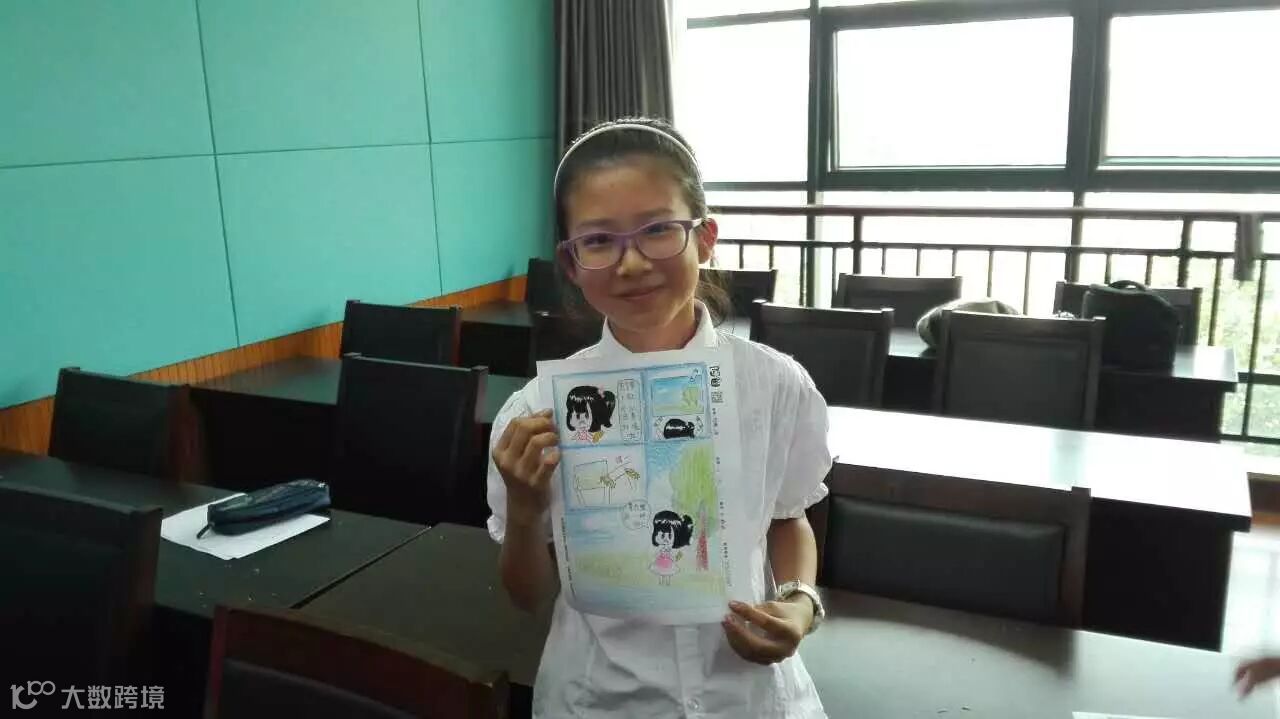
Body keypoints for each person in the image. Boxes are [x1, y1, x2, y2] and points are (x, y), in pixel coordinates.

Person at [486, 117, 832, 718]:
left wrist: (801, 602)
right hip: (601, 700)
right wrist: (523, 507)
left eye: (658, 230)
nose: (632, 263)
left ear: (705, 237)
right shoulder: (536, 412)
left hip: (750, 698)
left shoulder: (775, 385)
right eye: (599, 240)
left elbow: (788, 517)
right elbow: (528, 596)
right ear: (571, 263)